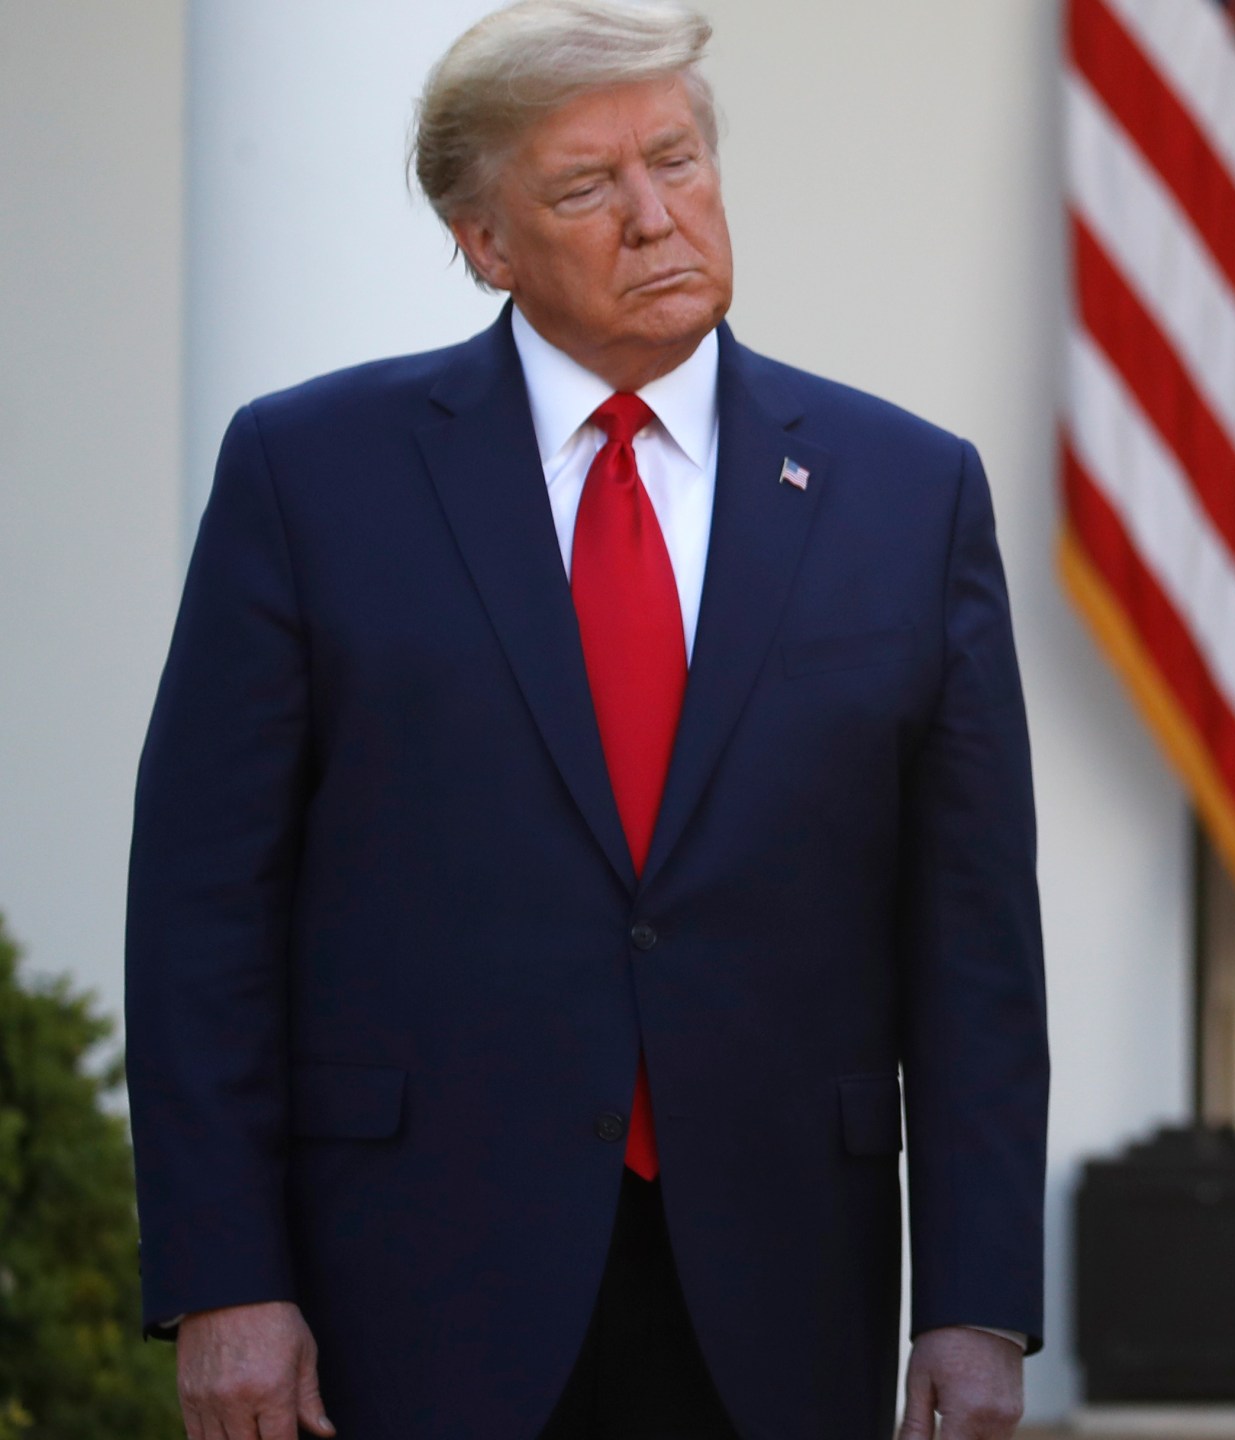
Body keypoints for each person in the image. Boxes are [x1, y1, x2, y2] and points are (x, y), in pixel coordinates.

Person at [124, 4, 1046, 1437]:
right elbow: (204, 907)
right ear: (485, 243)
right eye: (583, 188)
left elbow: (975, 936)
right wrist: (223, 1275)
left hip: (782, 1278)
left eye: (676, 161)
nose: (654, 216)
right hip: (412, 1281)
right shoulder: (309, 477)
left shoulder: (908, 492)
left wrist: (980, 1299)